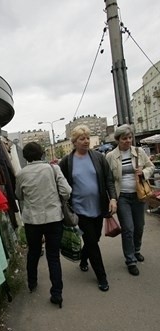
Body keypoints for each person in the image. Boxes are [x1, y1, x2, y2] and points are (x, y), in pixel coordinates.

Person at [59, 125, 117, 292]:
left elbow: (109, 180)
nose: (86, 141)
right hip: (79, 210)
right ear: (74, 142)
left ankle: (84, 259)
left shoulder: (98, 157)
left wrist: (112, 198)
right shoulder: (67, 162)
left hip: (98, 207)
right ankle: (102, 277)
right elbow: (62, 184)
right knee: (91, 241)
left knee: (94, 239)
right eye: (81, 139)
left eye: (87, 138)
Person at [15, 142, 72, 308]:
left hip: (32, 221)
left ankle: (32, 283)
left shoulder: (21, 174)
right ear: (42, 154)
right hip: (54, 218)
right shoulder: (53, 169)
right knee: (53, 256)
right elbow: (67, 191)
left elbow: (19, 195)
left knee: (33, 252)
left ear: (25, 157)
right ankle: (57, 294)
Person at [106, 124, 155, 276]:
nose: (128, 141)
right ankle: (130, 260)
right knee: (128, 228)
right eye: (124, 138)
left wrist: (143, 172)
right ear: (117, 140)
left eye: (129, 137)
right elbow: (108, 179)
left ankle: (136, 250)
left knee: (139, 226)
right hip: (122, 197)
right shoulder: (110, 156)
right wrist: (112, 198)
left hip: (139, 195)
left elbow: (151, 167)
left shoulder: (139, 152)